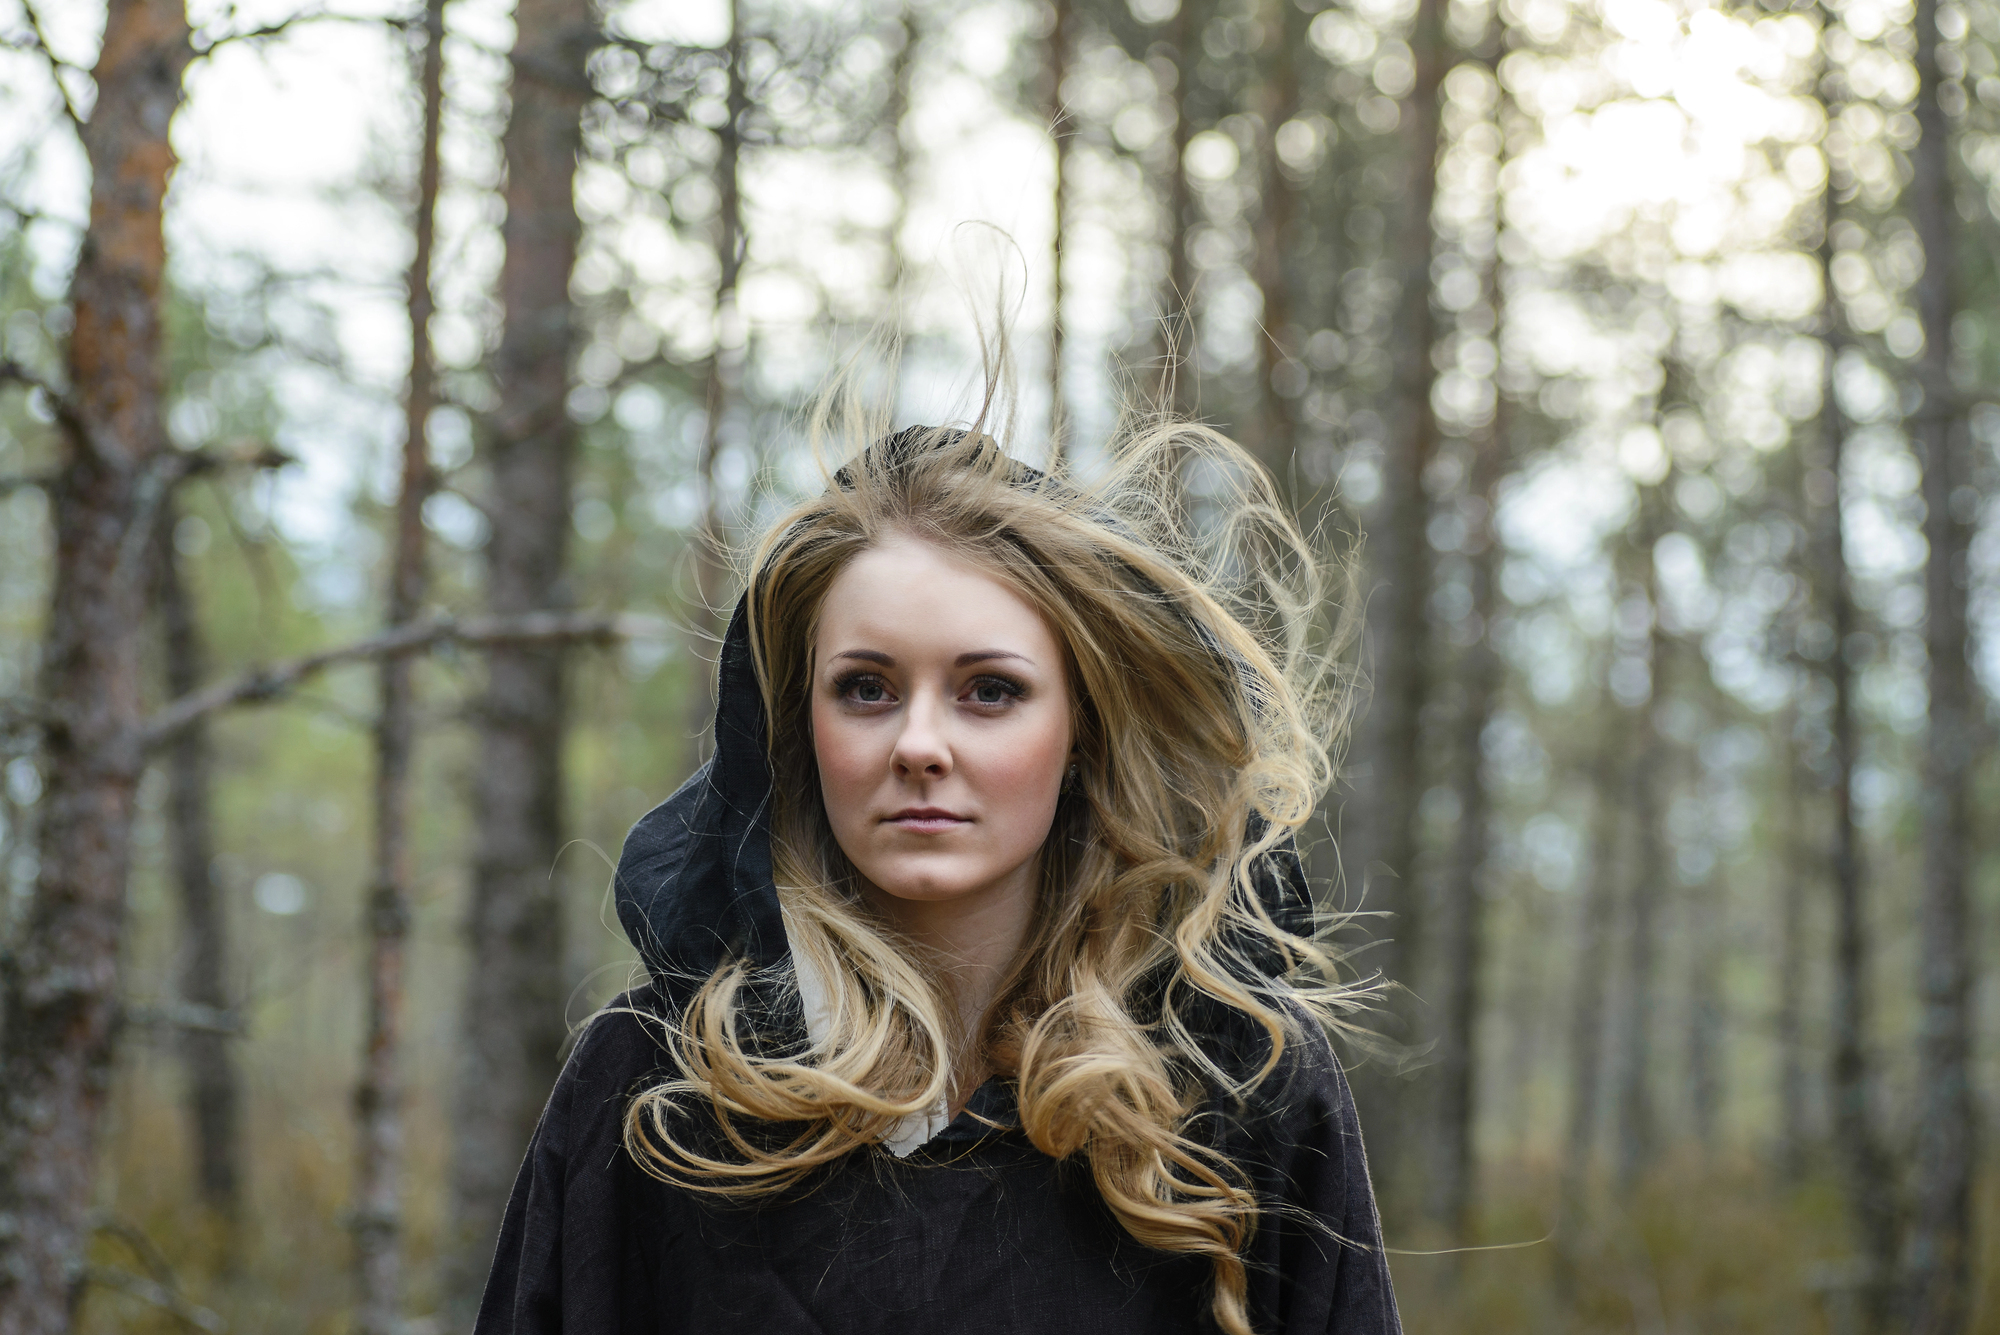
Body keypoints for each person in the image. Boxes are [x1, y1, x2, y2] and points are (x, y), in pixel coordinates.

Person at [474, 409, 1401, 1335]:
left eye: (989, 690)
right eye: (866, 688)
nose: (919, 744)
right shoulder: (657, 1086)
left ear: (1079, 731)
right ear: (800, 727)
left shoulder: (1236, 1080)